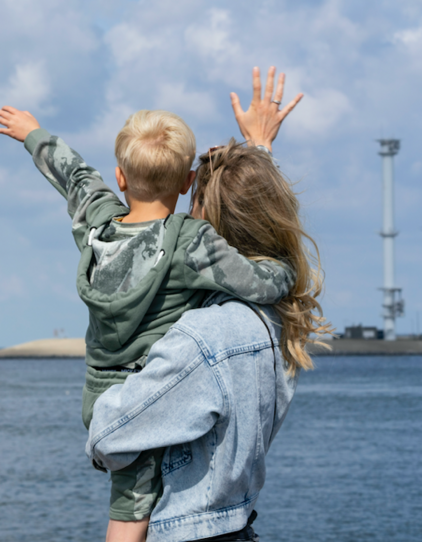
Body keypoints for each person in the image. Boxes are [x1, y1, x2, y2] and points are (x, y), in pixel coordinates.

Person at [0, 67, 298, 538]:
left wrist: (33, 134)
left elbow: (74, 176)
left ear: (120, 177)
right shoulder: (189, 243)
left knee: (128, 500)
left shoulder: (97, 227)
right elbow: (256, 281)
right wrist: (288, 271)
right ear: (187, 180)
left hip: (100, 396)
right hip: (147, 395)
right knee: (137, 507)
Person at [87, 67, 331, 541]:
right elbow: (257, 225)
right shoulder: (276, 316)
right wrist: (257, 147)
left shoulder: (205, 339)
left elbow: (108, 434)